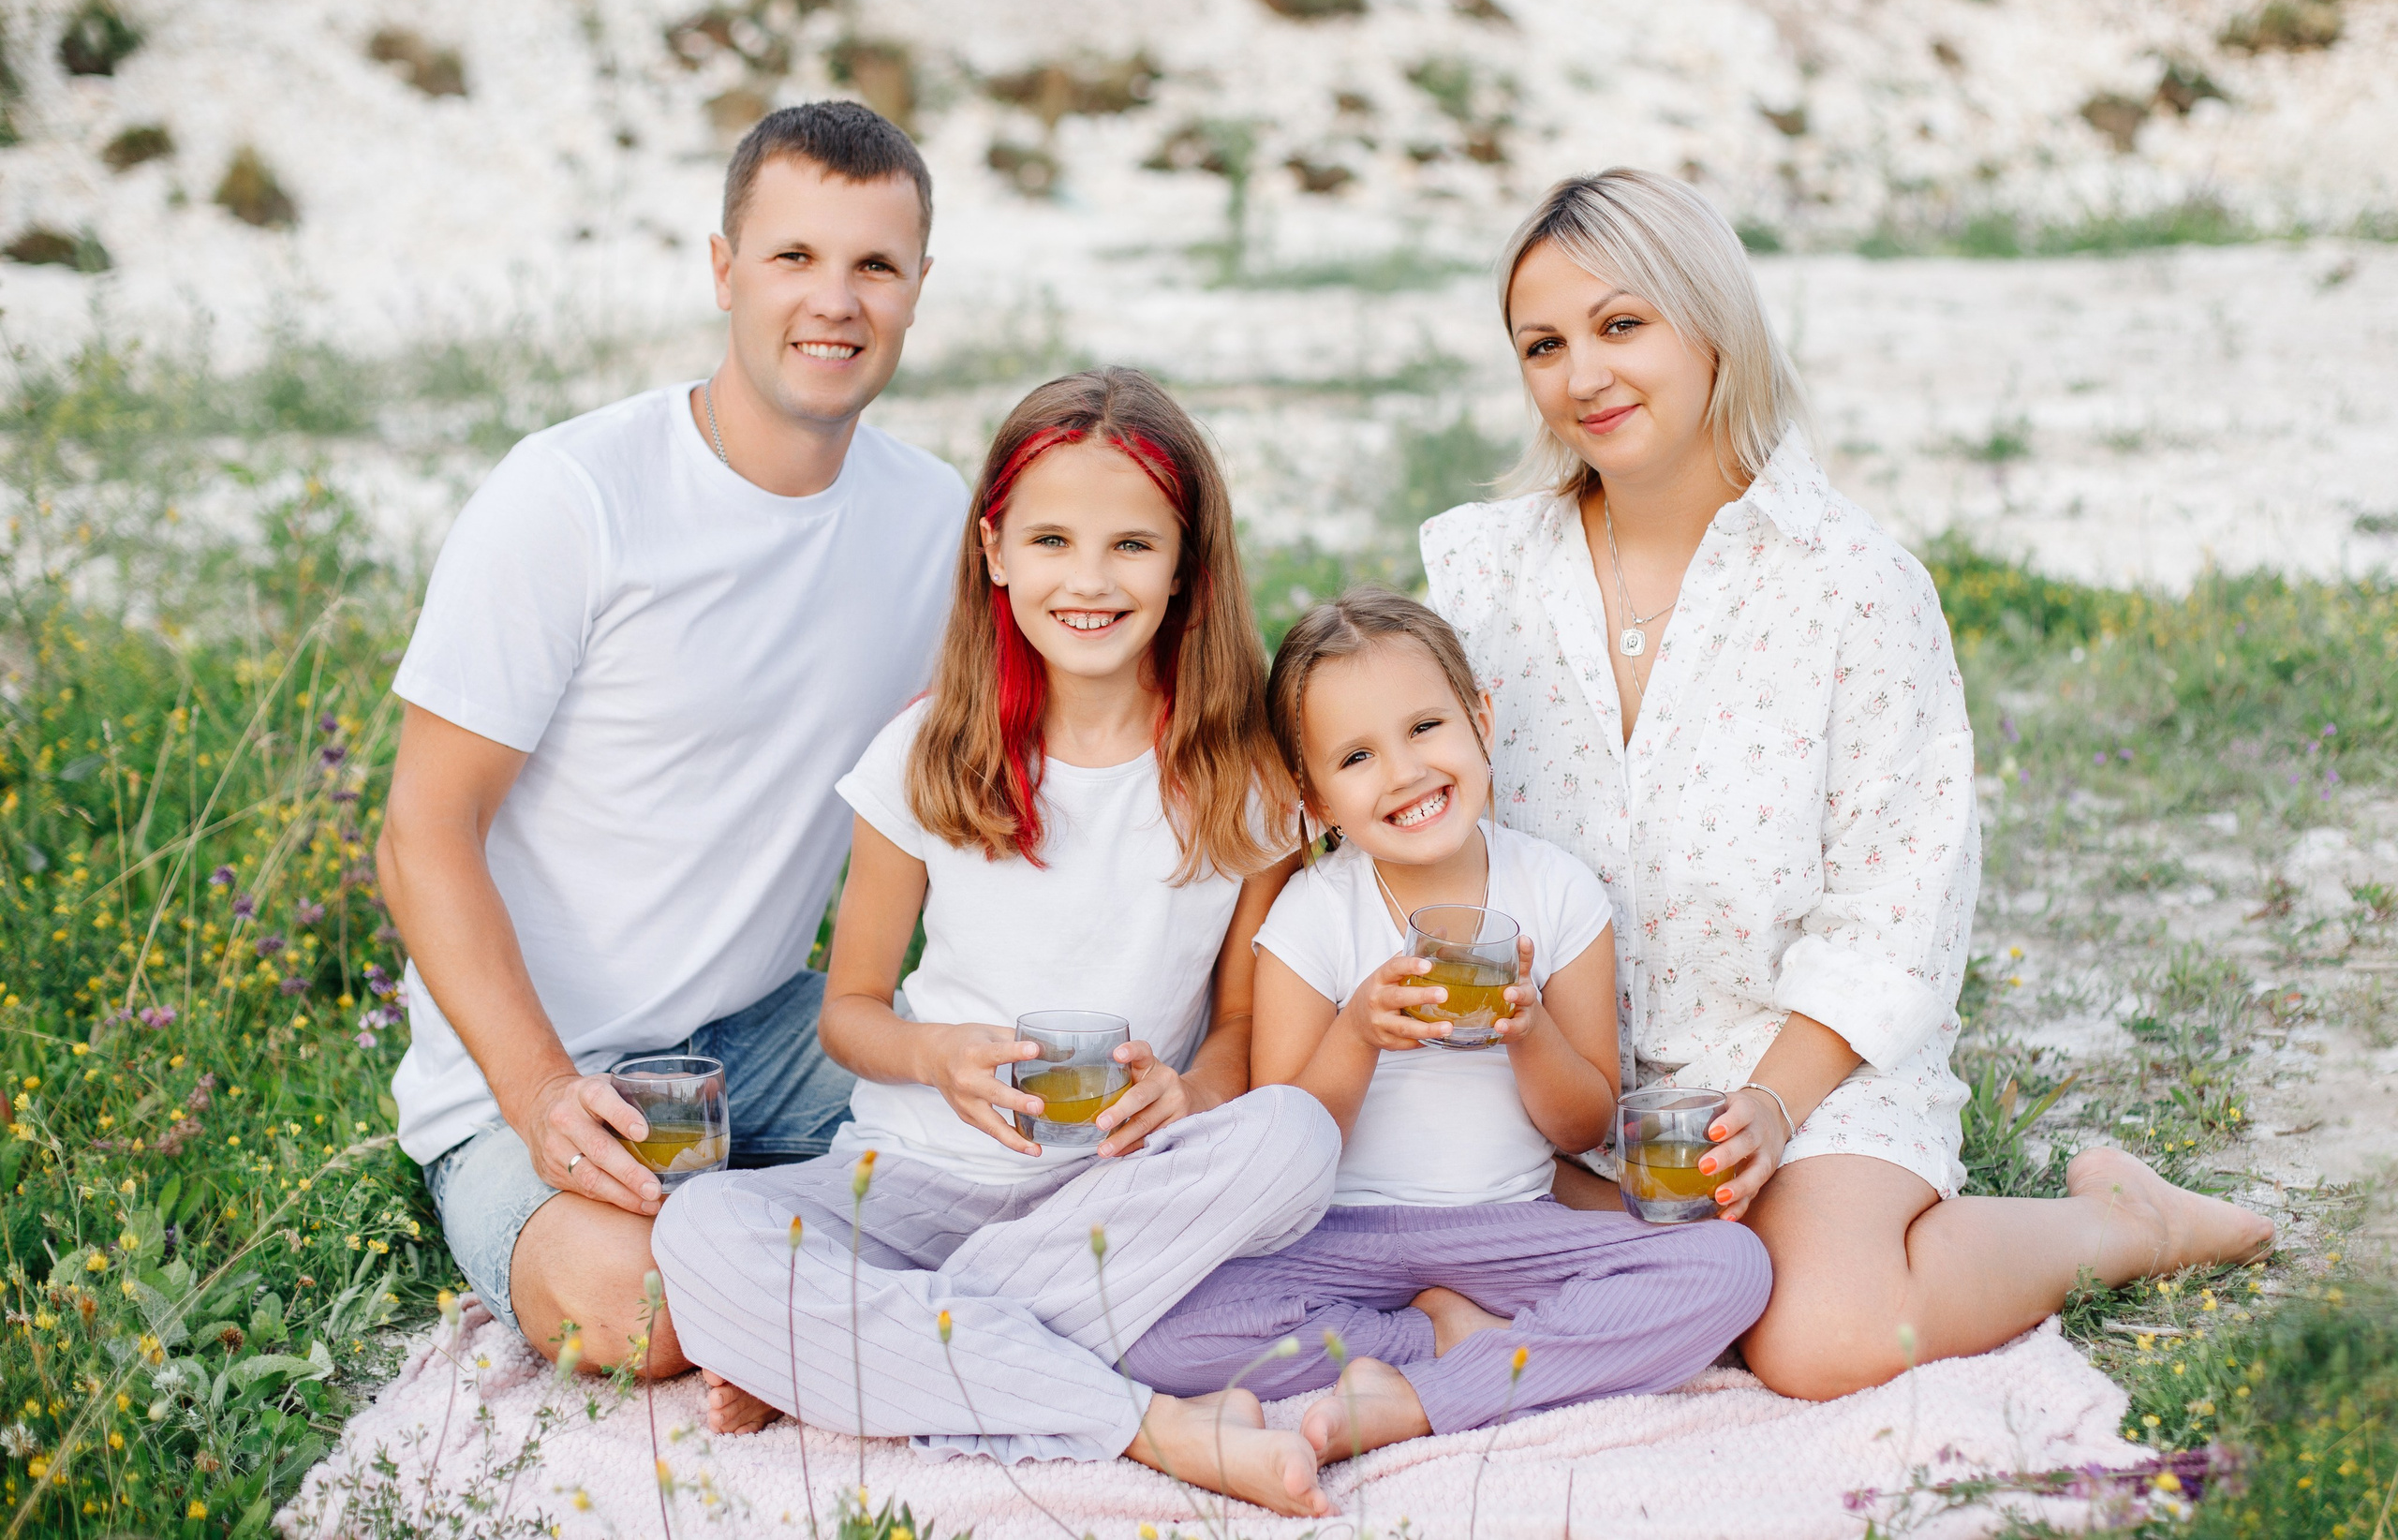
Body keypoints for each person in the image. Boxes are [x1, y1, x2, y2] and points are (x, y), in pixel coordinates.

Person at [1418, 168, 2274, 1401]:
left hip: (1803, 1073)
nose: (1582, 376)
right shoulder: (1482, 578)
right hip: (1561, 1080)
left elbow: (1897, 905)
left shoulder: (1854, 583)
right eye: (1543, 344)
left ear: (1712, 323)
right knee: (1454, 1278)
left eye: (1621, 324)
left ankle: (2125, 1218)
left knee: (1821, 1336)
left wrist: (1771, 1106)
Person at [652, 368, 1347, 1519]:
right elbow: (851, 1011)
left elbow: (1239, 1026)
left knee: (1295, 1137)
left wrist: (1187, 1095)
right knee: (704, 1225)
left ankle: (855, 1356)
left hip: (1119, 1193)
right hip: (911, 1179)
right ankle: (1148, 1426)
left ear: (1186, 566)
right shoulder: (927, 754)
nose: (1089, 579)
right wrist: (937, 1058)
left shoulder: (1247, 782)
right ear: (994, 550)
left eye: (1133, 545)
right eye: (1052, 540)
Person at [376, 100, 966, 1377]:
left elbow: (1009, 764)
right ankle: (775, 1262)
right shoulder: (572, 496)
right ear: (724, 269)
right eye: (794, 256)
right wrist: (539, 1094)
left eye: (874, 265)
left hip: (768, 1035)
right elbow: (422, 834)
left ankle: (780, 1256)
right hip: (538, 1071)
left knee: (1040, 1145)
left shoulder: (933, 517)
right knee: (641, 1310)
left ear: (919, 287)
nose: (835, 302)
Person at [1124, 585, 1770, 1462]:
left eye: (1425, 727)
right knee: (1148, 1329)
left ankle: (1425, 1395)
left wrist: (1530, 1031)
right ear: (1314, 798)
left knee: (1730, 1269)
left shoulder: (1558, 890)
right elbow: (1278, 1140)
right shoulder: (1312, 915)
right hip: (1339, 1235)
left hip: (1509, 1223)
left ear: (1481, 723)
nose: (1403, 772)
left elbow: (1586, 1125)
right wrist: (1357, 1033)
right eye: (1356, 756)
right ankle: (1438, 1338)